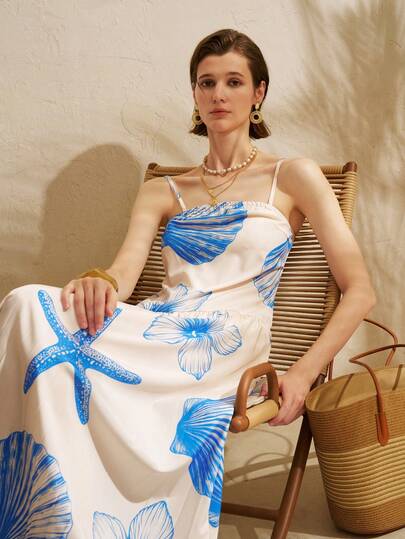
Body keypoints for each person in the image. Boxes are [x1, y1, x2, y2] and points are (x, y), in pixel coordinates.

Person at [0, 28, 376, 538]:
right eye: (206, 82)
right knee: (24, 302)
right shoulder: (163, 190)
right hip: (158, 325)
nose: (219, 94)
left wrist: (304, 373)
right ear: (195, 94)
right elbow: (124, 274)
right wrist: (98, 281)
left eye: (234, 82)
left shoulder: (292, 176)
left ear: (258, 92)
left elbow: (360, 289)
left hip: (225, 343)